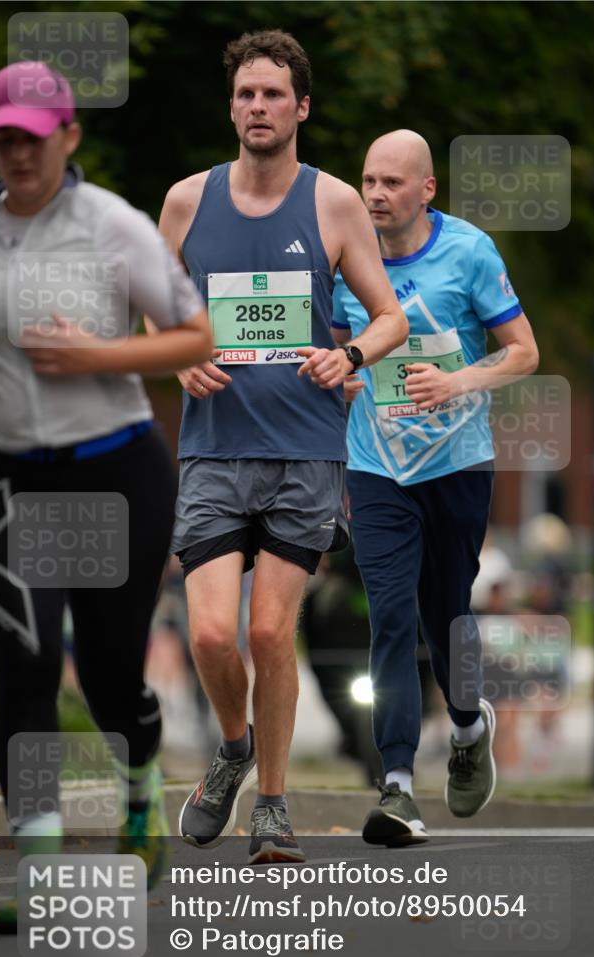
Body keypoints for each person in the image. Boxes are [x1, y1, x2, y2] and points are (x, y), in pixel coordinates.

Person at [156, 30, 407, 864]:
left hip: (304, 452)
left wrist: (352, 354)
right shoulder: (187, 201)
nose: (256, 108)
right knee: (210, 638)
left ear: (300, 108)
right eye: (244, 95)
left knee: (270, 635)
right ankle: (232, 749)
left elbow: (389, 316)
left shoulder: (333, 202)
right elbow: (149, 308)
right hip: (214, 452)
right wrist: (181, 350)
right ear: (231, 107)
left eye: (272, 95)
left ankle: (269, 806)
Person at [0, 61, 214, 932]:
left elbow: (197, 333)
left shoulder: (112, 226)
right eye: (2, 138)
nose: (17, 155)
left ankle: (141, 795)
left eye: (33, 139)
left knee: (113, 678)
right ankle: (36, 871)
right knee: (28, 668)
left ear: (68, 138)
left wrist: (98, 356)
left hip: (117, 471)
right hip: (8, 479)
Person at [331, 129, 539, 845]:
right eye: (368, 181)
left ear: (426, 191)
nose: (376, 195)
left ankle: (463, 725)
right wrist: (346, 372)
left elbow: (523, 352)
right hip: (377, 464)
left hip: (456, 464)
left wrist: (457, 380)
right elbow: (334, 350)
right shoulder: (343, 252)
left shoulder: (469, 252)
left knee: (444, 612)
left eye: (392, 183)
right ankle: (394, 785)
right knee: (387, 613)